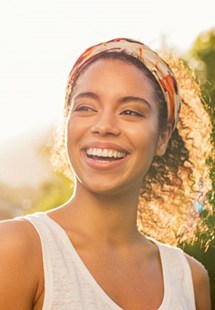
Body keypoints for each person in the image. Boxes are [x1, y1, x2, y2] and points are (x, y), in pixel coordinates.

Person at [0, 38, 212, 309]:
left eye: (130, 112)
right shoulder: (16, 249)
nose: (104, 126)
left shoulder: (190, 280)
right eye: (86, 107)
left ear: (162, 137)